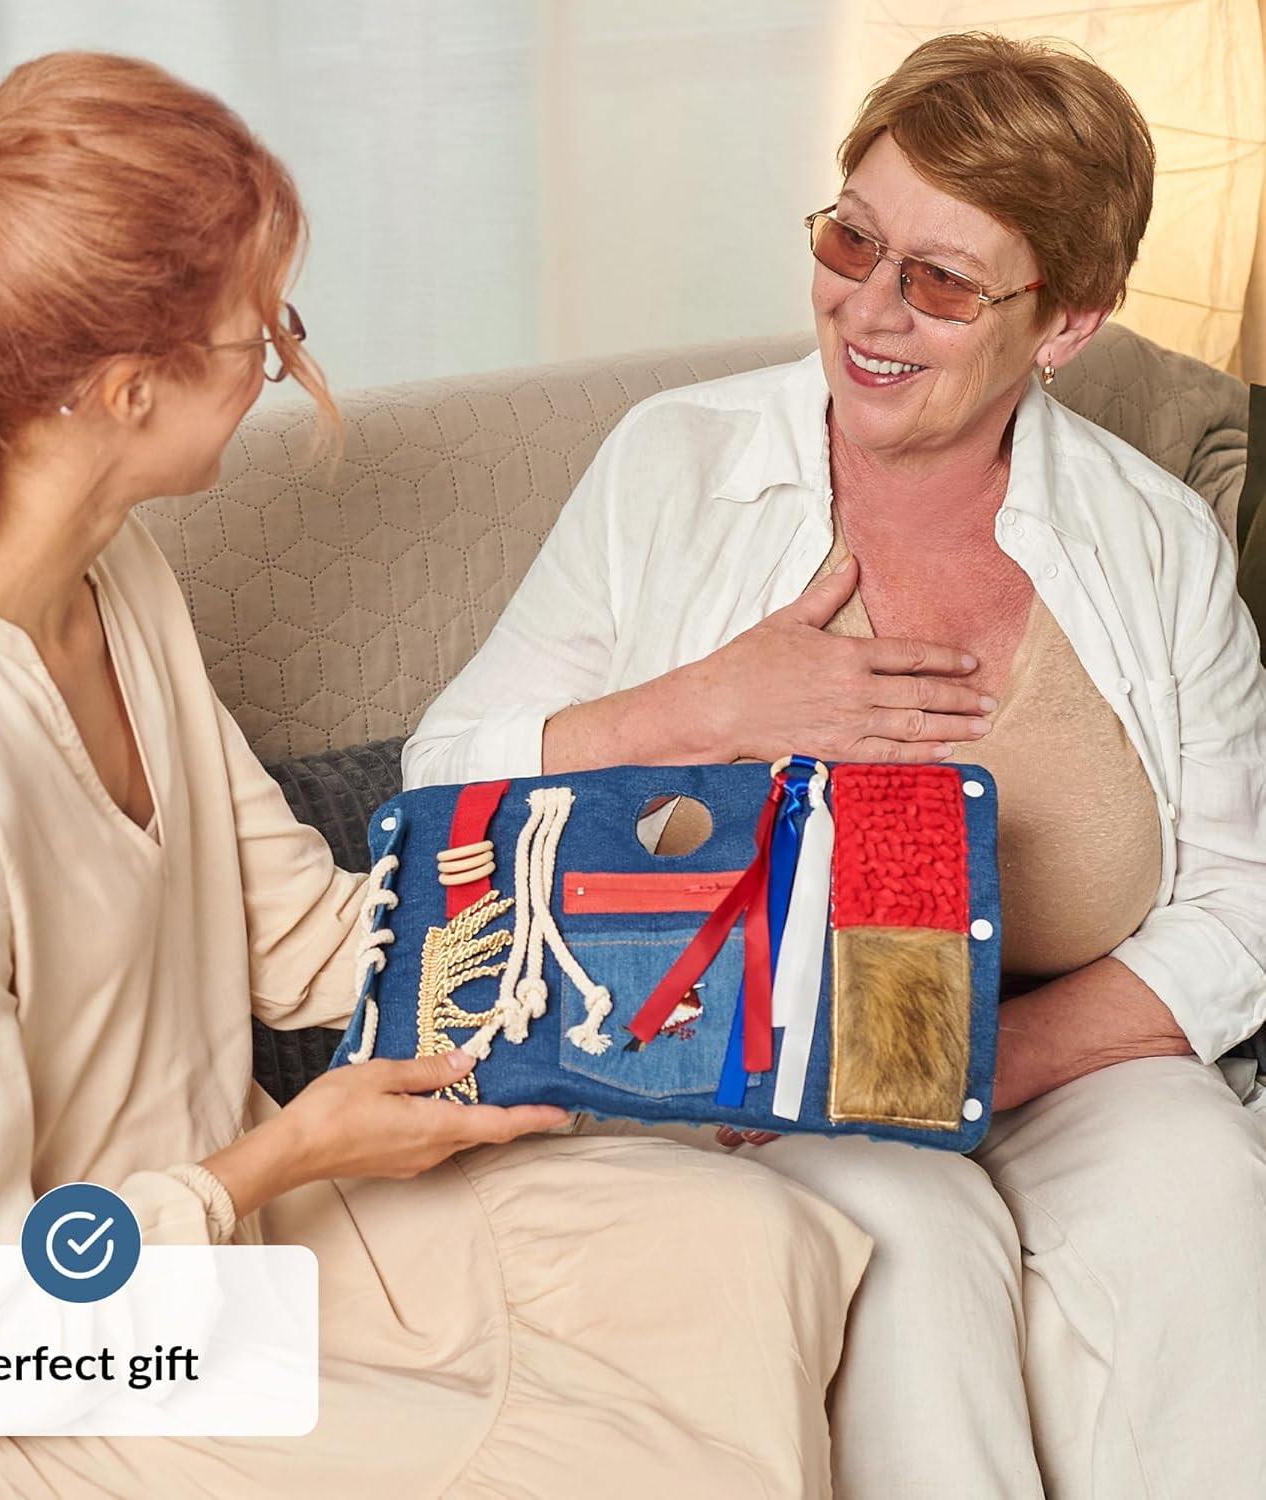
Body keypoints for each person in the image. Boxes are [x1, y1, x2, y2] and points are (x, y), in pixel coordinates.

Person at [0, 52, 871, 1500]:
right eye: (263, 329)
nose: (287, 363)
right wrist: (282, 1158)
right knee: (615, 1468)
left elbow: (297, 938)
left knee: (740, 1247)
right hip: (16, 1377)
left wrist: (659, 933)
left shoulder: (111, 577)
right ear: (126, 388)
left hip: (211, 1241)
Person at [404, 31, 1266, 1500]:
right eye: (852, 238)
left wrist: (970, 1071)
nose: (869, 306)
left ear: (1063, 324)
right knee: (908, 1234)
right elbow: (443, 785)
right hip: (754, 1066)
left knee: (1206, 1196)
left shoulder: (1155, 539)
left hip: (1052, 1054)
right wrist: (701, 707)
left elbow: (1241, 902)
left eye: (942, 280)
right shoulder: (673, 464)